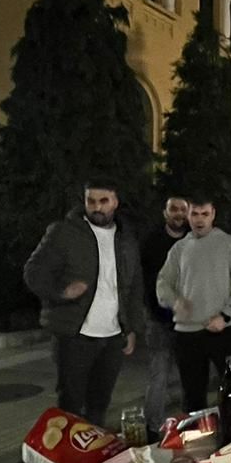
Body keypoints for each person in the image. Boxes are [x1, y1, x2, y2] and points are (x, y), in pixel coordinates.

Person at [23, 179, 146, 427]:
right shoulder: (64, 232)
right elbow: (33, 271)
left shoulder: (126, 239)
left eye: (103, 201)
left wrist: (132, 328)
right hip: (74, 335)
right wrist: (61, 292)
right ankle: (68, 460)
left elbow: (133, 288)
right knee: (70, 406)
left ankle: (94, 458)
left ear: (115, 202)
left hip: (112, 337)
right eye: (91, 201)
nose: (96, 207)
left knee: (99, 404)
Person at [156, 195, 231, 411]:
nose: (199, 220)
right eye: (194, 214)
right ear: (187, 215)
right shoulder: (179, 249)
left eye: (205, 214)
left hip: (222, 330)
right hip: (187, 333)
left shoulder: (229, 244)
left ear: (213, 215)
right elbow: (163, 283)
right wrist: (174, 301)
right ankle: (196, 437)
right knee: (192, 396)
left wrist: (226, 315)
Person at [140, 196, 189, 434]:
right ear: (165, 213)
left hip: (189, 323)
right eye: (173, 209)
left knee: (186, 376)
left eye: (182, 209)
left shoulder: (196, 239)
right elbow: (144, 280)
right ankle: (153, 426)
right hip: (158, 319)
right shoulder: (151, 241)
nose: (178, 214)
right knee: (158, 375)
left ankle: (184, 424)